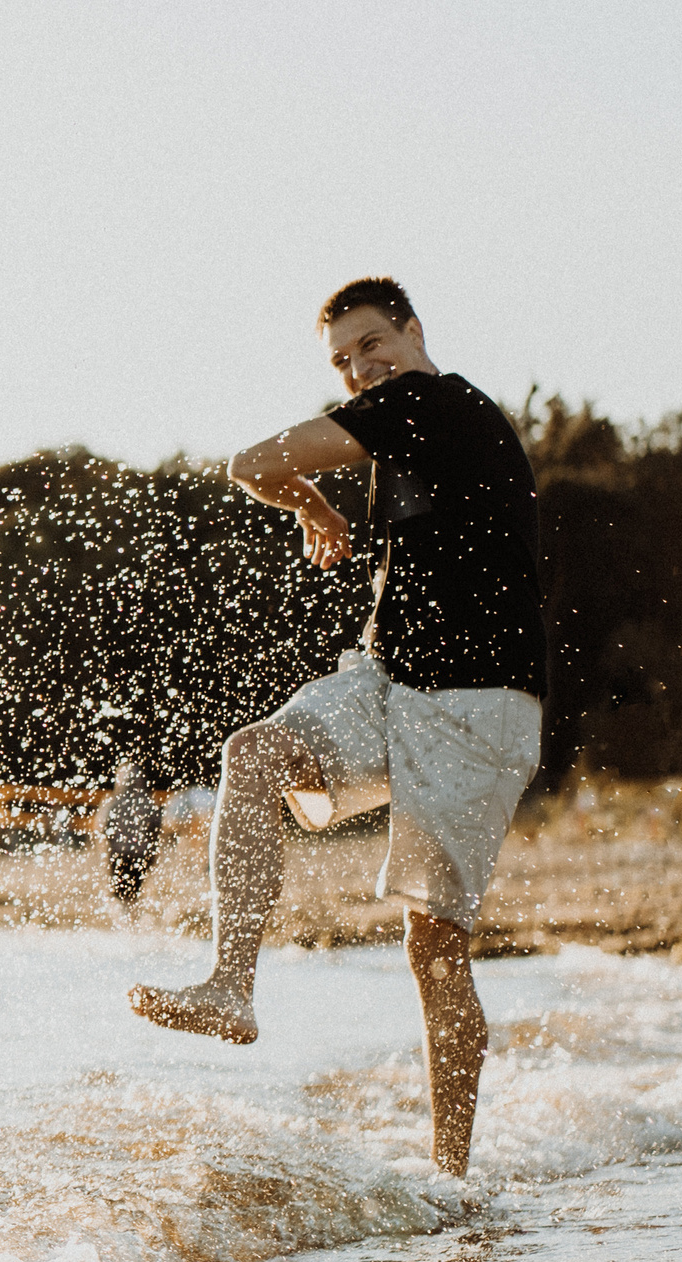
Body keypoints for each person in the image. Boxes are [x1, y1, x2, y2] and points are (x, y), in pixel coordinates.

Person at [129, 277, 546, 1177]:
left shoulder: (429, 402)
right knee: (254, 752)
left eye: (371, 344)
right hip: (391, 678)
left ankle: (450, 1178)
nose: (360, 368)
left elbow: (251, 461)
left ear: (413, 331)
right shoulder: (401, 428)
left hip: (478, 703)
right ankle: (230, 987)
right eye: (343, 360)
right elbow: (261, 469)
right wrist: (316, 504)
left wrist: (308, 502)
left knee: (434, 945)